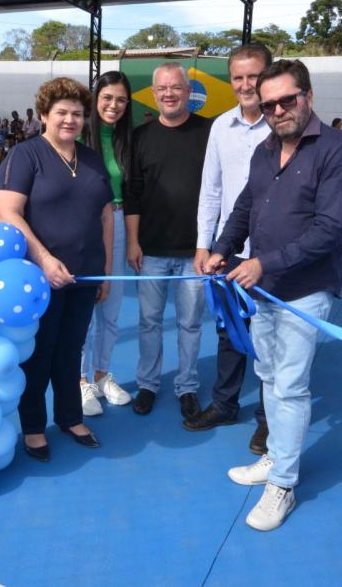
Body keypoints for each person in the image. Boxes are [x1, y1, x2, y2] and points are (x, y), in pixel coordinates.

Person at [203, 58, 342, 532]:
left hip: (304, 288)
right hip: (263, 287)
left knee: (290, 384)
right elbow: (245, 206)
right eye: (268, 104)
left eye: (286, 100)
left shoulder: (337, 150)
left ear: (307, 96)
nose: (277, 110)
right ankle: (275, 456)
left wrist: (262, 263)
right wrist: (222, 248)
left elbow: (331, 230)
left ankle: (284, 484)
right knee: (269, 374)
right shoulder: (265, 150)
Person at [0, 77, 113, 461]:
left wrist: (105, 269)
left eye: (77, 114)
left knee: (71, 350)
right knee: (39, 353)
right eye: (61, 112)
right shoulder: (25, 156)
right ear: (44, 114)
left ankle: (70, 417)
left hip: (84, 274)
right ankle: (32, 426)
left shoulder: (91, 159)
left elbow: (106, 215)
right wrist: (44, 260)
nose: (70, 120)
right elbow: (7, 213)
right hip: (38, 280)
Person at [188, 44, 272, 450]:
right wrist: (205, 245)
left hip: (272, 252)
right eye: (237, 77)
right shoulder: (221, 126)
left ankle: (269, 417)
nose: (245, 85)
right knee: (229, 330)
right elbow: (211, 190)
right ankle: (225, 403)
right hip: (228, 248)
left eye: (253, 76)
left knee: (272, 334)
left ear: (268, 76)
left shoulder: (284, 125)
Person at [125, 62, 212, 421]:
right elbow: (133, 192)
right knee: (149, 322)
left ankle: (187, 387)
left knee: (190, 325)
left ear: (188, 90)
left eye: (175, 87)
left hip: (195, 253)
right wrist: (133, 241)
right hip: (152, 251)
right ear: (154, 93)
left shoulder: (210, 132)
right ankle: (147, 384)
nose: (169, 94)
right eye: (162, 88)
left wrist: (209, 246)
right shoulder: (140, 137)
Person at [78, 71, 135, 416]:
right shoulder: (79, 135)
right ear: (95, 98)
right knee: (84, 309)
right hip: (85, 224)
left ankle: (101, 374)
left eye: (121, 99)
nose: (114, 105)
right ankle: (80, 381)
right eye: (107, 98)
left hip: (119, 221)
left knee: (111, 307)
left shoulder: (129, 140)